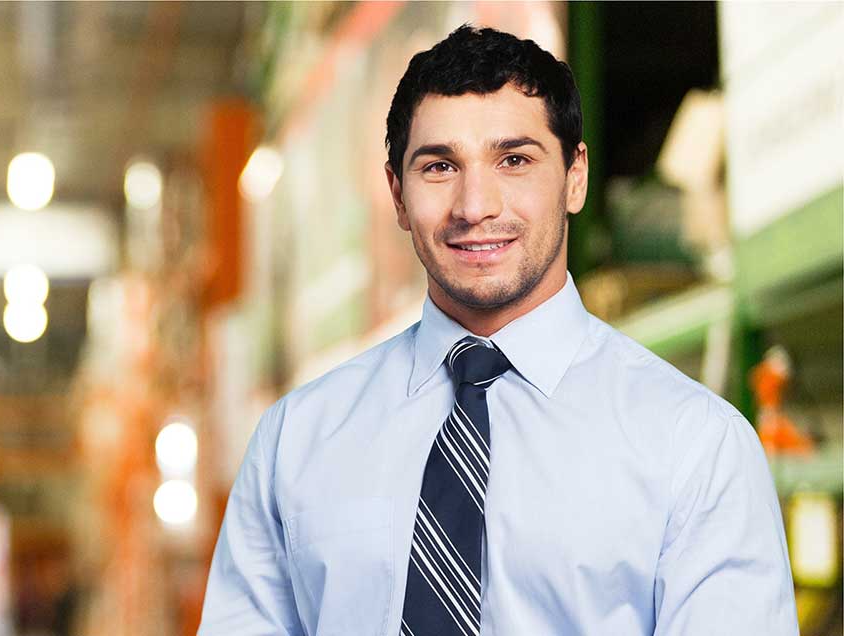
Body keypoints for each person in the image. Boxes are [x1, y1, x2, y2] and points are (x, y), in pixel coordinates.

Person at [197, 25, 795, 635]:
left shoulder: (696, 449)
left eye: (514, 160)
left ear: (575, 176)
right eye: (439, 166)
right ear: (397, 195)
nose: (474, 204)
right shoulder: (295, 442)